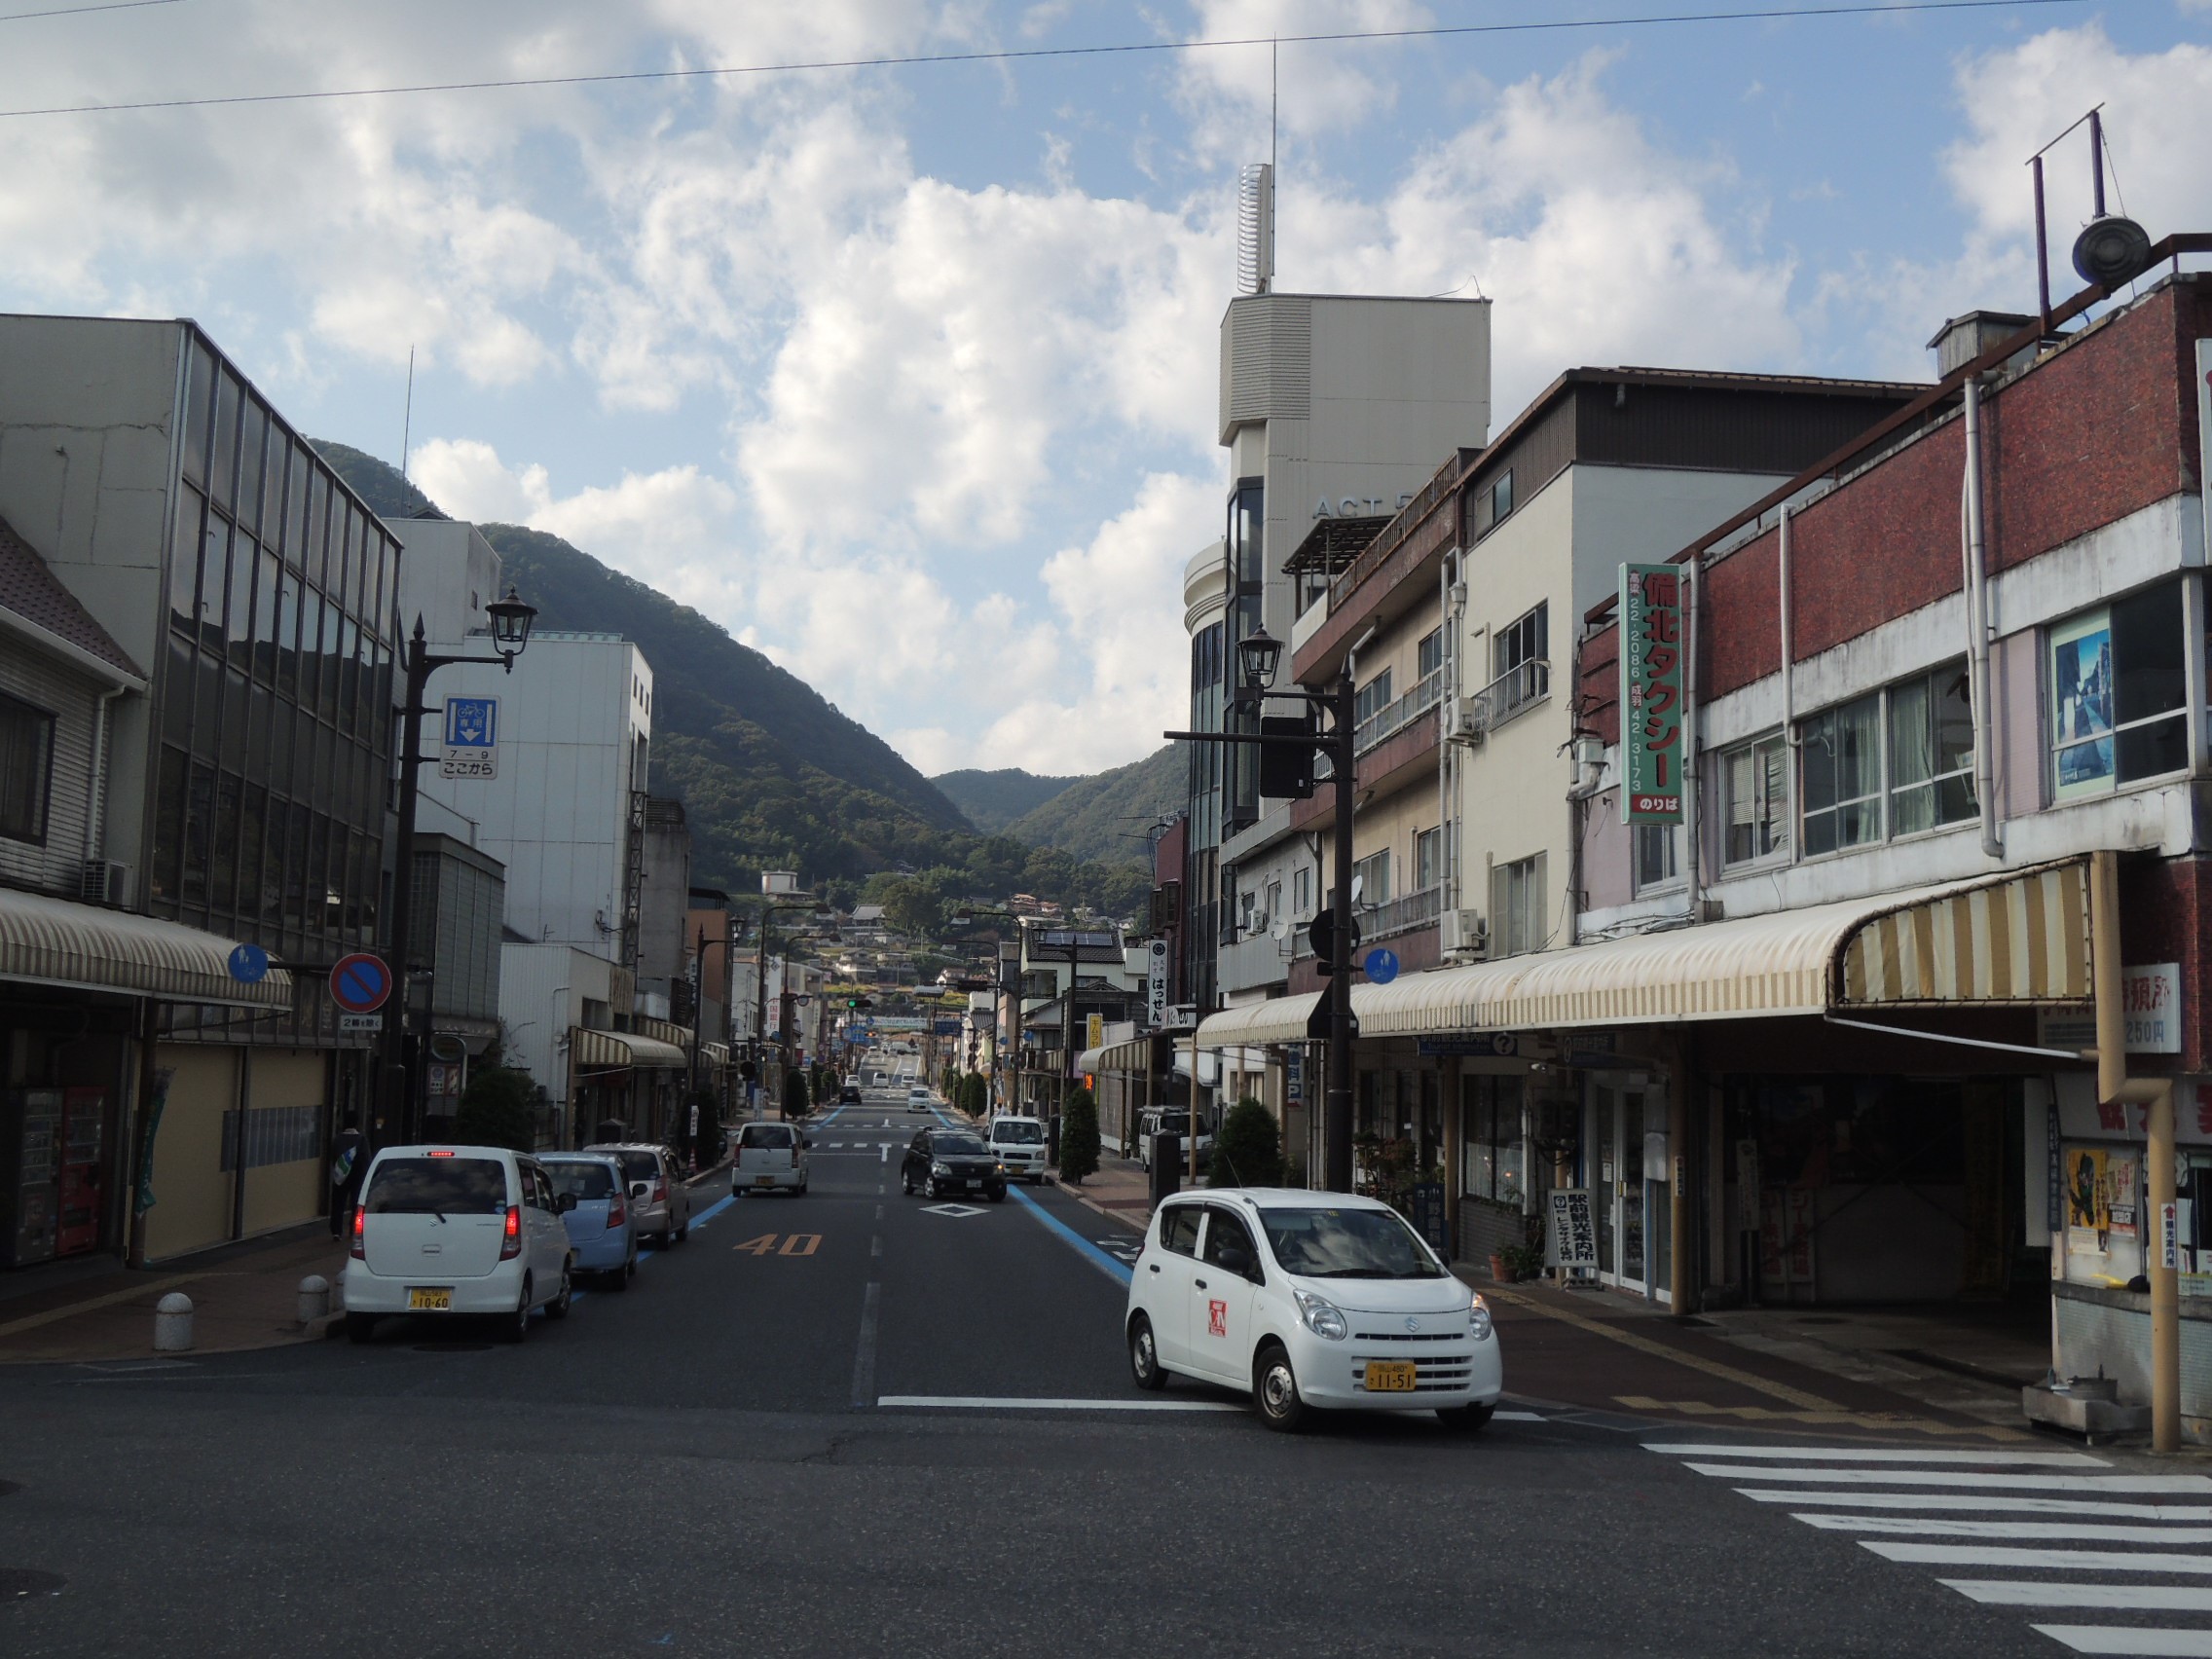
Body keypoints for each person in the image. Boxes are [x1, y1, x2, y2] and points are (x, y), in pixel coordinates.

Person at [327, 1113, 365, 1237]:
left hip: (341, 1174)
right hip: (357, 1176)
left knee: (338, 1202)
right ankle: (353, 1228)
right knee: (356, 1202)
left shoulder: (337, 1139)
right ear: (357, 1124)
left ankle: (336, 1231)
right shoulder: (362, 1139)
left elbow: (333, 1157)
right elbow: (367, 1160)